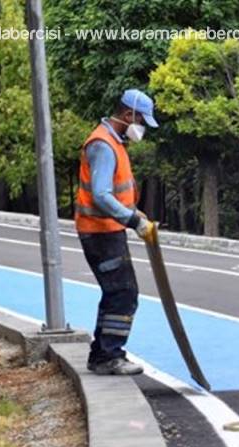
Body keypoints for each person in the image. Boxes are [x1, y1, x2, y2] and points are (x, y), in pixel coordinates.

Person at [75, 89, 158, 375]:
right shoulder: (103, 145)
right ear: (127, 115)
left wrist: (135, 213)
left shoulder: (114, 142)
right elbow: (101, 195)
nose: (142, 127)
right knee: (123, 292)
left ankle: (102, 354)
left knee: (116, 292)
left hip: (108, 230)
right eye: (141, 120)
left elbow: (118, 192)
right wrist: (133, 221)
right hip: (100, 232)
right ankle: (109, 356)